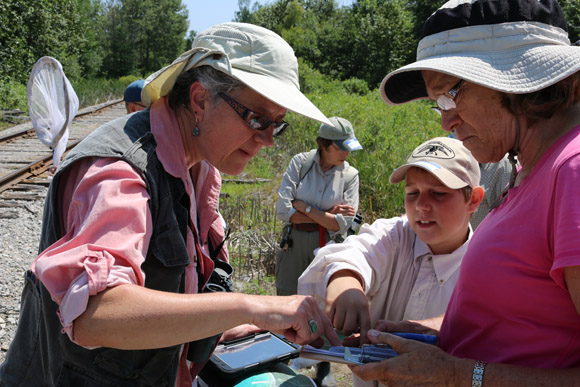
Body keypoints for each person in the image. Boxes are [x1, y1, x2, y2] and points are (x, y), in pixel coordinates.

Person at [0, 22, 340, 387]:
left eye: (278, 124)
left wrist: (237, 324)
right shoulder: (120, 172)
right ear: (199, 100)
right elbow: (95, 313)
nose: (268, 139)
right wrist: (252, 306)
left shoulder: (200, 167)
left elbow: (175, 297)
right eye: (257, 118)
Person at [349, 0, 580, 385]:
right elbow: (531, 322)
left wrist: (456, 374)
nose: (446, 120)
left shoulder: (571, 171)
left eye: (449, 96)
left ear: (512, 76)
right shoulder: (533, 169)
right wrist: (442, 331)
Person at [298, 137, 483, 387]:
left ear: (473, 199)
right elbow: (353, 251)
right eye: (412, 193)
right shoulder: (394, 235)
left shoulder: (486, 262)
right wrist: (346, 282)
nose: (421, 206)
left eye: (438, 193)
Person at [275, 116, 361, 386]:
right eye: (341, 148)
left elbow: (342, 223)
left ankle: (324, 364)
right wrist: (325, 215)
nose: (347, 154)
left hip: (326, 246)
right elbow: (282, 211)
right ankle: (282, 359)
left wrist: (304, 207)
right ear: (324, 145)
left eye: (349, 148)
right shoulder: (301, 164)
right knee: (287, 298)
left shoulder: (349, 175)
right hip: (294, 242)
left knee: (324, 304)